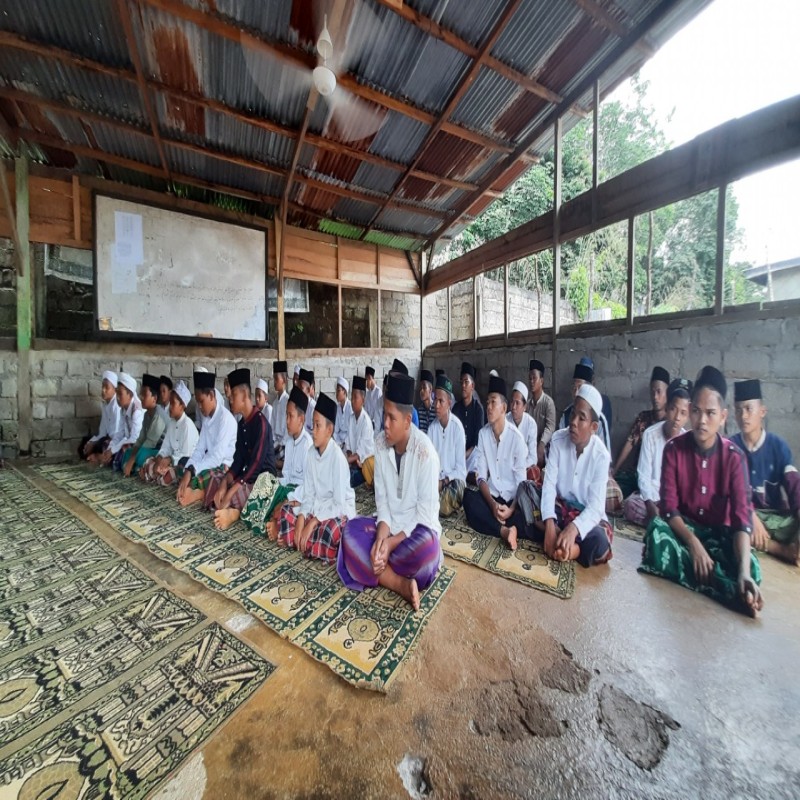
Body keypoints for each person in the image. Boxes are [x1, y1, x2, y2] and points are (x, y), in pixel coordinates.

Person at [639, 366, 763, 617]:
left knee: (750, 565)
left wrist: (744, 573)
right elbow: (670, 509)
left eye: (710, 413)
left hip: (719, 535)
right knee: (656, 537)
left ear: (723, 416)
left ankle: (731, 581)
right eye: (696, 411)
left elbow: (741, 521)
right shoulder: (674, 449)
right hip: (683, 532)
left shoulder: (734, 458)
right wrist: (694, 543)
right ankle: (723, 587)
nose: (702, 420)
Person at [338, 373, 442, 611]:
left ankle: (377, 566)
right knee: (350, 533)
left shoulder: (426, 453)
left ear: (407, 421)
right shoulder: (380, 444)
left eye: (391, 418)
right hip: (389, 530)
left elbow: (424, 516)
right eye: (384, 414)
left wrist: (390, 545)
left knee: (429, 550)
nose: (384, 423)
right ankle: (399, 583)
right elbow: (382, 503)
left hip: (414, 535)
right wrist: (380, 539)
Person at [536, 384, 614, 566]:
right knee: (526, 492)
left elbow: (595, 508)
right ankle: (557, 537)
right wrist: (548, 523)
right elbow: (548, 486)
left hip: (584, 515)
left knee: (601, 538)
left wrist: (574, 529)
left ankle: (572, 550)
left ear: (594, 427)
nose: (573, 422)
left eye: (582, 418)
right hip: (560, 509)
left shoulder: (601, 456)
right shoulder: (557, 440)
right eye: (573, 414)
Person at [278, 392, 355, 563]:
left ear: (329, 430)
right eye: (312, 425)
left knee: (330, 531)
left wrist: (312, 523)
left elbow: (338, 504)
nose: (313, 431)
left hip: (336, 512)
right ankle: (309, 543)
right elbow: (310, 493)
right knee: (286, 511)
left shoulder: (338, 459)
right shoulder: (311, 453)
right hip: (316, 507)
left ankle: (298, 540)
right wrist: (302, 517)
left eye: (318, 425)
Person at [731, 379, 800, 565]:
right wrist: (751, 516)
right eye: (738, 410)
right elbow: (730, 493)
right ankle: (782, 550)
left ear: (762, 412)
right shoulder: (731, 448)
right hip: (744, 515)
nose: (743, 415)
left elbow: (794, 487)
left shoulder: (779, 447)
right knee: (727, 520)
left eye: (748, 409)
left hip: (775, 518)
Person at [202, 368, 276, 530]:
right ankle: (227, 506)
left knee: (242, 491)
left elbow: (256, 464)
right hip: (247, 476)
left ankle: (233, 512)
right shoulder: (242, 424)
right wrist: (224, 483)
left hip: (263, 479)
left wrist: (233, 488)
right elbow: (239, 461)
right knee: (215, 477)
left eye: (233, 395)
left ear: (243, 395)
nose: (229, 398)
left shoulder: (261, 424)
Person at [462, 374, 528, 550]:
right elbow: (480, 477)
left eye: (493, 402)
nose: (488, 407)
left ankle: (502, 525)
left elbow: (522, 483)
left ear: (504, 407)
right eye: (487, 402)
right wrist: (492, 505)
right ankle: (504, 531)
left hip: (513, 501)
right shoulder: (483, 434)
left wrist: (512, 509)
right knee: (468, 499)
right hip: (491, 498)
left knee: (530, 521)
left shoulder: (517, 439)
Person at [241, 386, 313, 540]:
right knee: (264, 479)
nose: (286, 421)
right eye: (286, 415)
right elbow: (286, 475)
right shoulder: (288, 441)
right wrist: (273, 483)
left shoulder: (308, 445)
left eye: (290, 416)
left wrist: (286, 495)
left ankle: (269, 524)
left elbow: (308, 486)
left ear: (301, 419)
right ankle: (257, 518)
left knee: (277, 498)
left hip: (298, 493)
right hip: (287, 486)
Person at [623, 378, 691, 527]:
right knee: (630, 506)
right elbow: (643, 475)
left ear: (688, 416)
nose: (677, 418)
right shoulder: (650, 434)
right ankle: (668, 524)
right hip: (651, 499)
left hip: (674, 503)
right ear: (667, 408)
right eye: (673, 409)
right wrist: (649, 504)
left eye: (683, 413)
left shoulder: (688, 442)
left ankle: (662, 523)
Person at [176, 370, 237, 508]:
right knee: (182, 464)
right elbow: (199, 450)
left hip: (223, 467)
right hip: (207, 462)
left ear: (211, 396)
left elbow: (216, 458)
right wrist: (189, 469)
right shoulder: (207, 418)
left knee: (207, 477)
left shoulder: (225, 419)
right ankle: (195, 488)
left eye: (201, 401)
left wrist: (192, 470)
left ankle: (200, 493)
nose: (199, 406)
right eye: (197, 402)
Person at [611, 366, 670, 497]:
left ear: (668, 393)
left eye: (659, 392)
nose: (655, 397)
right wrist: (615, 470)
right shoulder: (644, 418)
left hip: (658, 480)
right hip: (637, 474)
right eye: (652, 392)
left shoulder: (671, 423)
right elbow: (629, 443)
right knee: (613, 489)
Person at [141, 379, 199, 486]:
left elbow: (186, 454)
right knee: (150, 463)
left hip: (184, 464)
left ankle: (157, 476)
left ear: (182, 405)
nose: (170, 407)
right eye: (170, 403)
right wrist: (159, 459)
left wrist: (169, 460)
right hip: (170, 462)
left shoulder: (187, 425)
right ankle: (156, 474)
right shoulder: (172, 423)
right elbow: (165, 447)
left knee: (167, 476)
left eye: (173, 404)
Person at [426, 373, 467, 516]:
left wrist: (443, 482)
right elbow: (429, 463)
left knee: (442, 505)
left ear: (449, 403)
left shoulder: (457, 428)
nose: (436, 405)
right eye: (435, 400)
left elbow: (461, 470)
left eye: (441, 401)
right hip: (436, 482)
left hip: (453, 481)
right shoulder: (432, 428)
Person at [557, 361, 611, 451]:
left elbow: (604, 452)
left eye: (580, 388)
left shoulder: (599, 418)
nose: (576, 392)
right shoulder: (566, 414)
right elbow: (559, 446)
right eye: (574, 388)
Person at [122, 373, 168, 476]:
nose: (141, 397)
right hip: (150, 448)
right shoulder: (147, 414)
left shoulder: (159, 414)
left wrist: (132, 459)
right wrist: (131, 456)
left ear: (154, 398)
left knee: (141, 455)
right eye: (141, 394)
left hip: (161, 450)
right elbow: (141, 439)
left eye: (144, 394)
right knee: (128, 452)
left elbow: (149, 443)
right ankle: (136, 469)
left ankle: (136, 469)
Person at [102, 372, 143, 470]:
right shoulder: (123, 409)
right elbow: (120, 433)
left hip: (137, 445)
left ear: (130, 395)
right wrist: (110, 449)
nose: (117, 397)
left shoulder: (137, 411)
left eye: (120, 394)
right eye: (117, 393)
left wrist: (113, 450)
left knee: (123, 452)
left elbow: (134, 439)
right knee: (106, 445)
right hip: (126, 442)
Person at [453, 361, 485, 483]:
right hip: (458, 455)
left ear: (473, 386)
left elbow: (477, 442)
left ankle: (468, 477)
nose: (463, 386)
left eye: (466, 382)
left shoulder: (478, 409)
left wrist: (464, 455)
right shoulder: (456, 408)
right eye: (462, 382)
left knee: (477, 458)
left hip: (471, 455)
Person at [81, 370, 121, 462]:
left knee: (103, 445)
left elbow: (115, 435)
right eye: (103, 386)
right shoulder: (106, 405)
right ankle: (95, 455)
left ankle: (99, 457)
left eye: (107, 387)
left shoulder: (117, 406)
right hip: (108, 437)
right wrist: (91, 442)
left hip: (116, 439)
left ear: (115, 389)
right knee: (85, 443)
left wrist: (95, 444)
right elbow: (102, 432)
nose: (103, 390)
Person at [344, 375, 375, 487]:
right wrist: (348, 456)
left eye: (355, 397)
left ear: (363, 400)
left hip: (362, 468)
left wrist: (347, 460)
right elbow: (348, 444)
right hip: (352, 464)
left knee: (346, 482)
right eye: (351, 397)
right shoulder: (351, 419)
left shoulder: (366, 422)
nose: (352, 401)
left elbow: (360, 454)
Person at [526, 359, 556, 469]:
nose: (531, 381)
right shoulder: (527, 404)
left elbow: (550, 427)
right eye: (530, 378)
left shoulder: (548, 403)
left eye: (534, 378)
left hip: (544, 446)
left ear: (541, 381)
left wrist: (541, 444)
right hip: (530, 445)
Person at [507, 381, 538, 479]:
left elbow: (533, 457)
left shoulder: (531, 424)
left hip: (524, 466)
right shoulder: (504, 421)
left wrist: (519, 466)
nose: (513, 407)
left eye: (517, 403)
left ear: (525, 407)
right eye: (512, 402)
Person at [272, 360, 290, 461]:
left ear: (284, 380)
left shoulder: (288, 402)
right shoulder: (274, 403)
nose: (274, 382)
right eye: (274, 378)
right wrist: (274, 442)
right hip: (276, 443)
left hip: (285, 444)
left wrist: (281, 444)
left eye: (276, 379)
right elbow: (272, 427)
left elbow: (288, 429)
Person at [334, 377, 353, 447]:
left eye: (338, 391)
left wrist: (344, 444)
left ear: (344, 392)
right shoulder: (338, 407)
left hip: (349, 443)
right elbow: (335, 431)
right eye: (336, 390)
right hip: (339, 442)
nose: (336, 393)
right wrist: (338, 443)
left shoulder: (350, 407)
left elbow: (351, 432)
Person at [416, 369, 436, 434]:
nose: (421, 391)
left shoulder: (436, 409)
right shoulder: (419, 410)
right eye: (420, 387)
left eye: (424, 387)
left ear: (430, 389)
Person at [364, 366, 383, 433]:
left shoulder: (378, 392)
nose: (365, 384)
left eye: (366, 380)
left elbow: (379, 412)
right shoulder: (367, 393)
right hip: (368, 423)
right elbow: (365, 410)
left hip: (376, 425)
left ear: (370, 378)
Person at [298, 368, 316, 432]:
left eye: (301, 388)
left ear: (308, 390)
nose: (298, 391)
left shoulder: (313, 408)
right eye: (298, 388)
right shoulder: (296, 405)